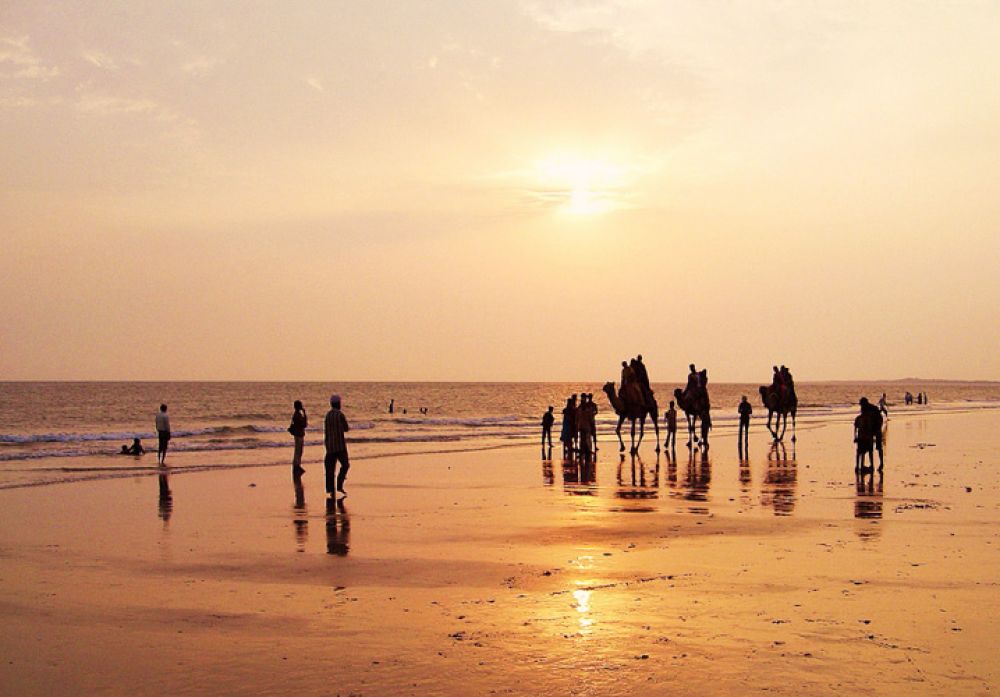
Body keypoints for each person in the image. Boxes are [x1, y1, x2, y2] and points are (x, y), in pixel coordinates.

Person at [324, 394, 351, 498]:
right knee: (345, 465)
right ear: (338, 404)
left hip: (330, 446)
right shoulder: (340, 415)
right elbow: (346, 428)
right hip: (340, 446)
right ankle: (339, 484)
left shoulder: (328, 415)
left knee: (330, 470)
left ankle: (330, 489)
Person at [288, 400, 308, 475]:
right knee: (298, 451)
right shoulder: (298, 415)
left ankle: (297, 466)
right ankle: (296, 466)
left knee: (298, 451)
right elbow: (304, 424)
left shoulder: (296, 414)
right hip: (299, 434)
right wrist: (305, 414)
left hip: (297, 434)